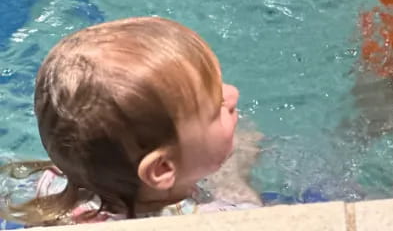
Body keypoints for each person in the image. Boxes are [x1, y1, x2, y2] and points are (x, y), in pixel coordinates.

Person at [0, 17, 260, 225]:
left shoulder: (47, 185)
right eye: (216, 108)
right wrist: (238, 184)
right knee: (236, 176)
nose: (233, 94)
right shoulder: (222, 218)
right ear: (162, 169)